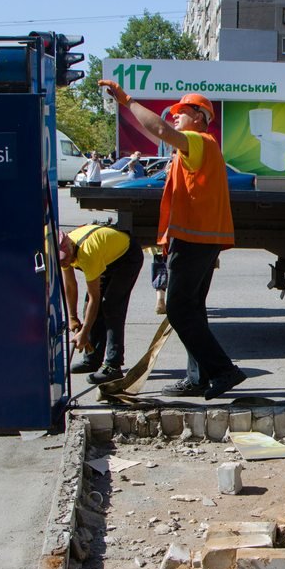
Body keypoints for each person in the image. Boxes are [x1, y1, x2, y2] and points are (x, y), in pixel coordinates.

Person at [98, 79, 246, 399]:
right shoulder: (194, 148)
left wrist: (127, 101)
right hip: (199, 239)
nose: (175, 114)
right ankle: (199, 378)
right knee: (192, 308)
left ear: (200, 117)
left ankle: (223, 370)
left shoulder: (198, 141)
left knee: (178, 309)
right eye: (174, 111)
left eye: (182, 111)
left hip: (194, 239)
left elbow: (162, 131)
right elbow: (160, 134)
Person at [59, 224, 145, 384]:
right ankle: (92, 359)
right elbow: (70, 286)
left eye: (68, 260)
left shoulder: (87, 254)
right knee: (90, 309)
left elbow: (94, 297)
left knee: (111, 306)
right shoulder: (64, 248)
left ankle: (113, 365)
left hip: (127, 257)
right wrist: (72, 317)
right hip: (107, 257)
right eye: (63, 262)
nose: (66, 263)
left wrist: (84, 332)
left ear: (70, 247)